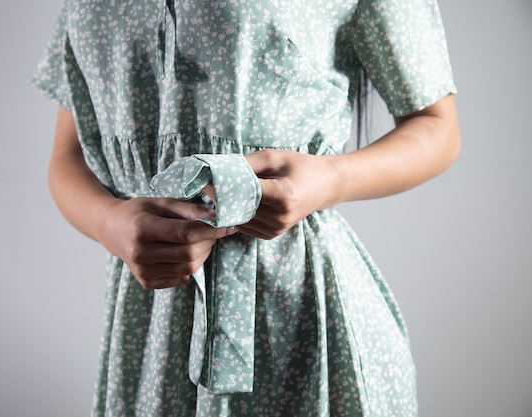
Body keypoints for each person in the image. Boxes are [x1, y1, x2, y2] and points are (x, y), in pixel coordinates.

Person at [32, 0, 460, 415]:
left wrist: (329, 179)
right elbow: (66, 156)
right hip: (150, 319)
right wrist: (110, 223)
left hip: (296, 310)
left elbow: (438, 126)